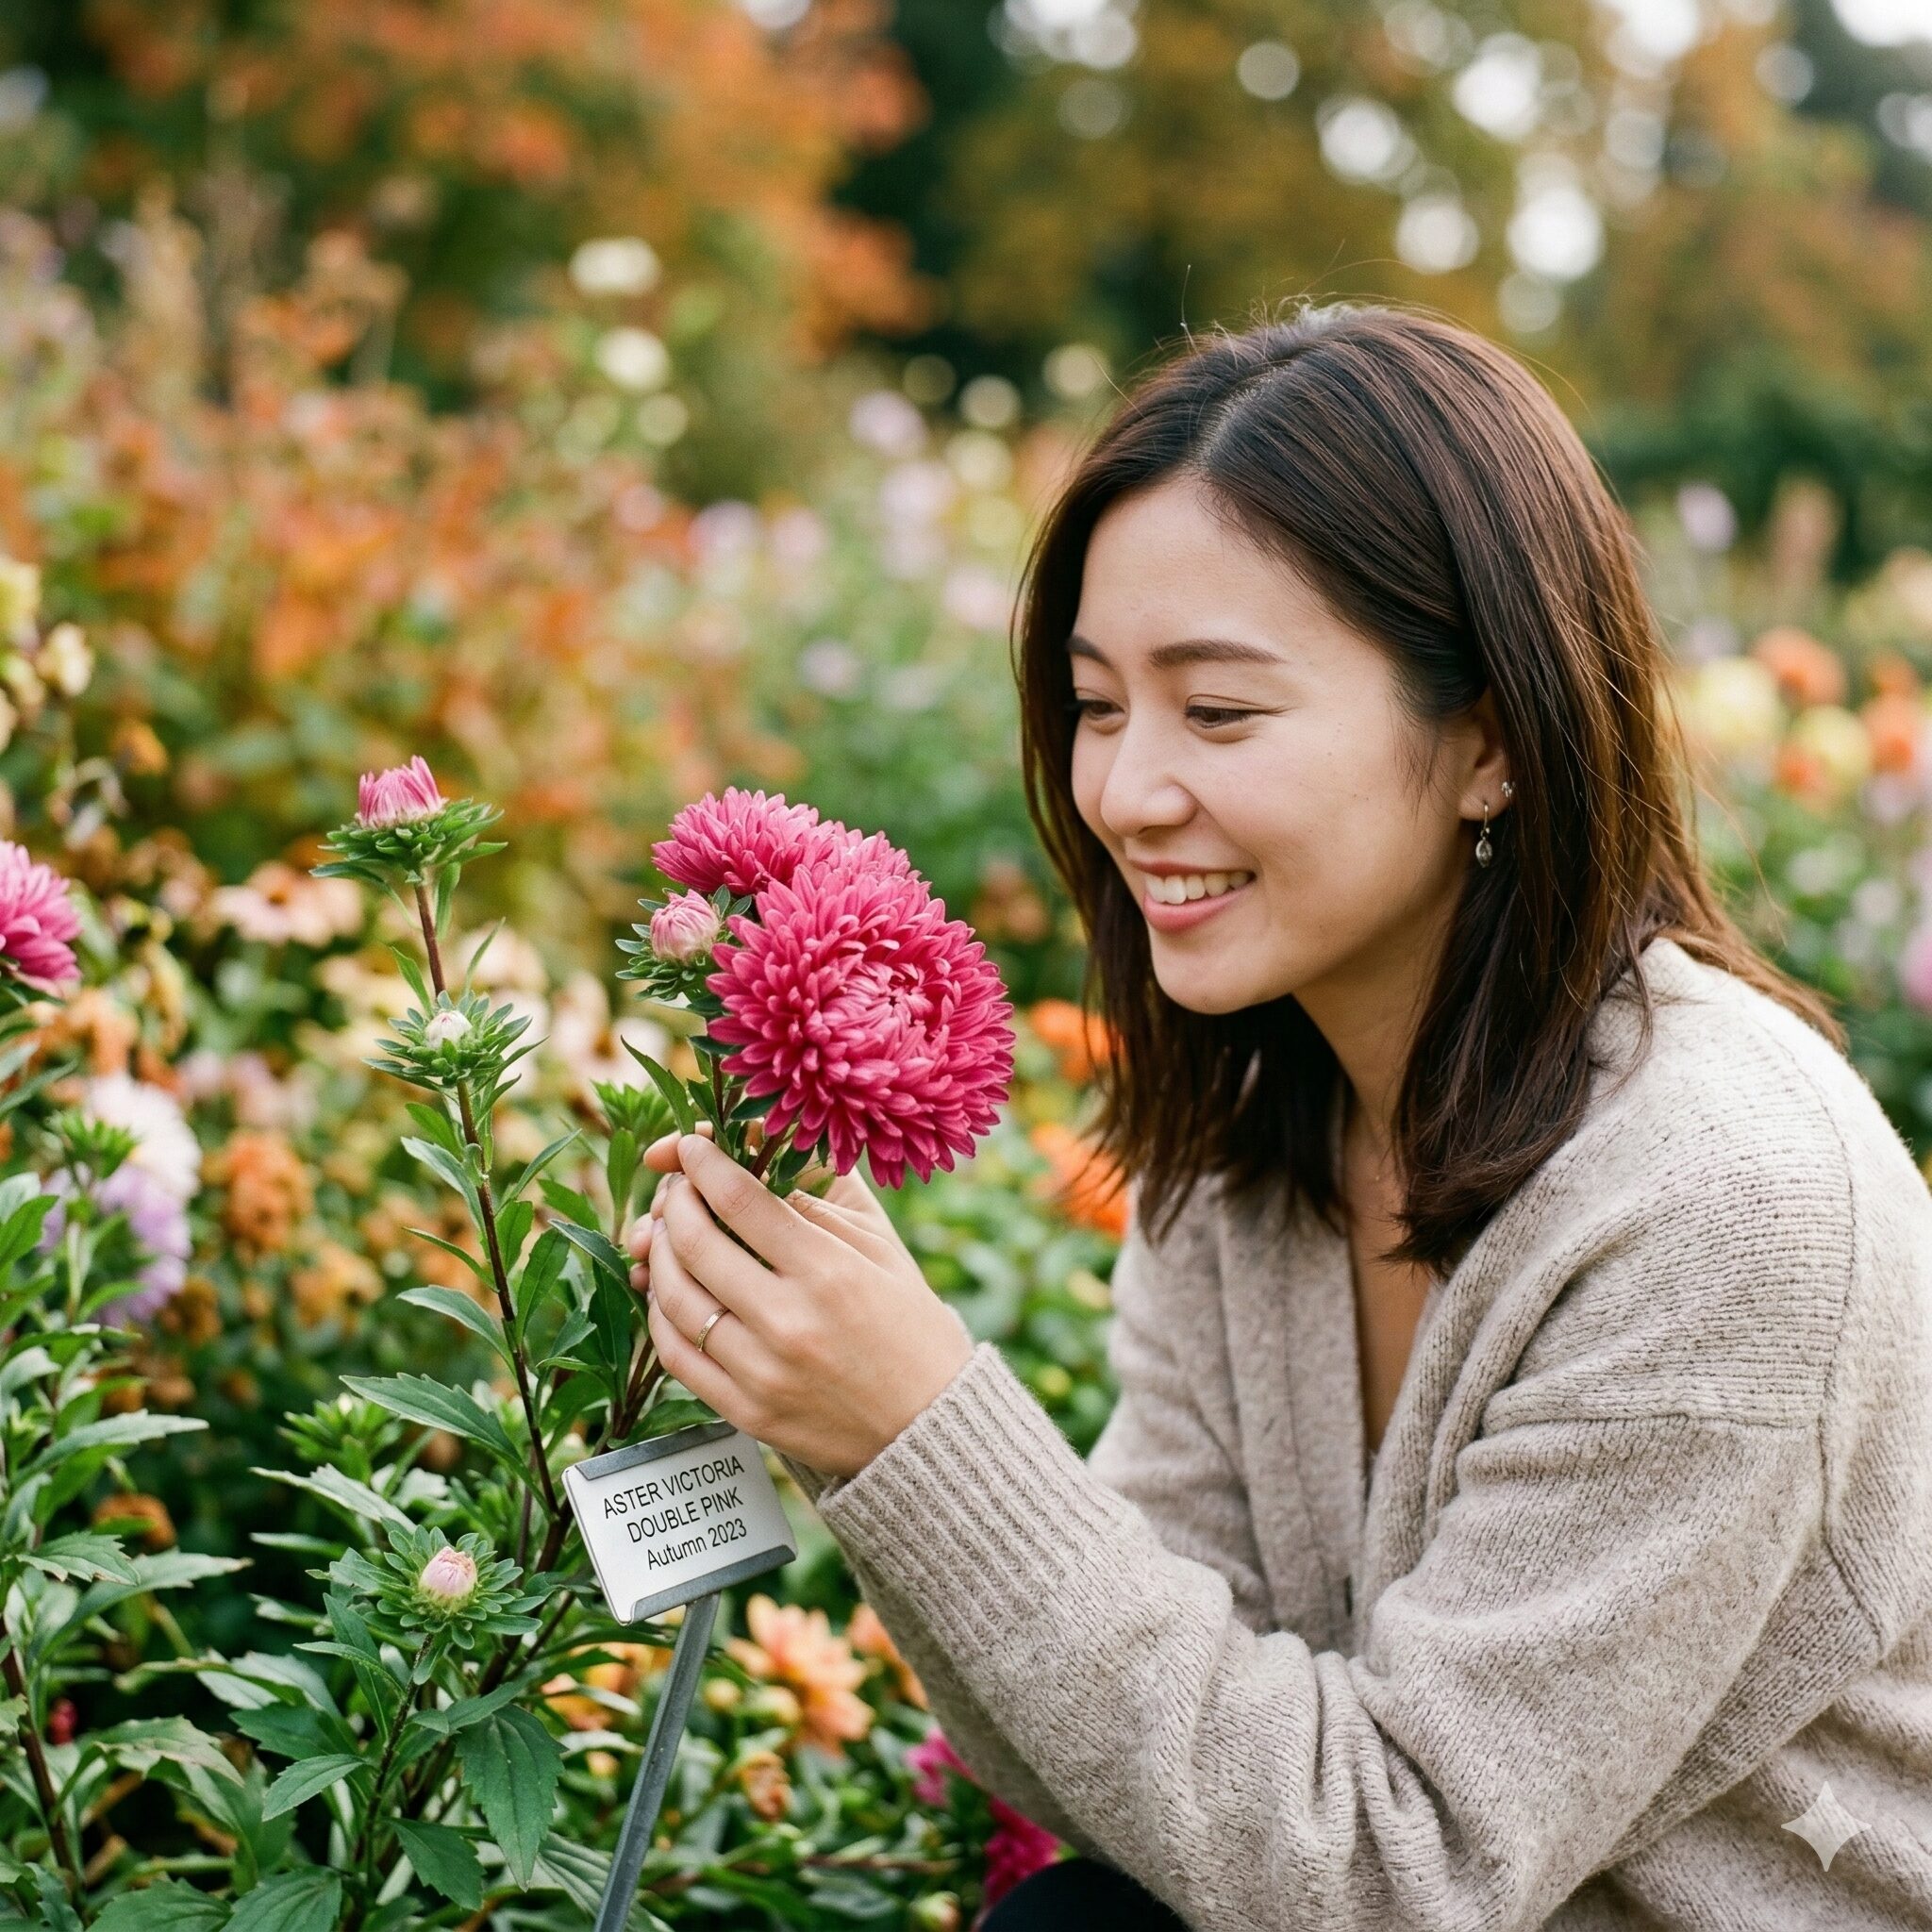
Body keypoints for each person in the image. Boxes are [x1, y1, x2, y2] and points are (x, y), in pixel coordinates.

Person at [630, 305, 1932, 1929]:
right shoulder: (1262, 1130)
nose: (1124, 792)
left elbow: (1394, 1873)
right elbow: (1144, 1775)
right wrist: (857, 1413)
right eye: (1100, 705)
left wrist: (912, 1422)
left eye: (1220, 713)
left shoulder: (1729, 1203)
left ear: (1492, 742)